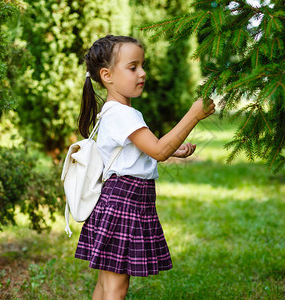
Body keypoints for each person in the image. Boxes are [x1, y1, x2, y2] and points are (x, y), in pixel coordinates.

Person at [74, 35, 215, 300]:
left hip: (120, 200)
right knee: (116, 288)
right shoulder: (122, 114)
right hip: (124, 203)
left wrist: (175, 148)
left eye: (142, 65)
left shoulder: (114, 110)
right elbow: (159, 150)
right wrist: (194, 114)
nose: (142, 73)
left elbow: (146, 151)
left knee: (106, 284)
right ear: (107, 75)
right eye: (133, 67)